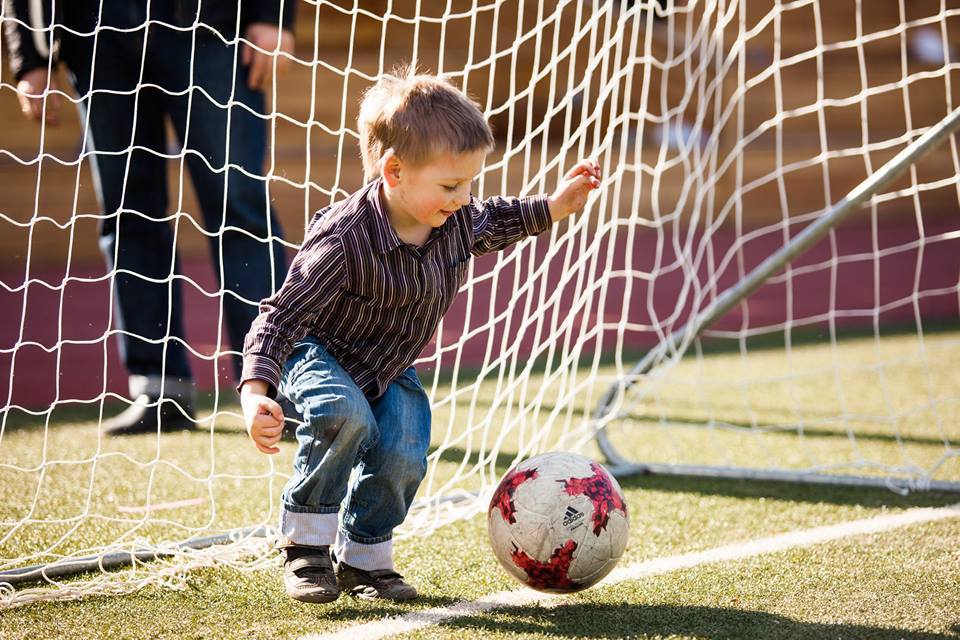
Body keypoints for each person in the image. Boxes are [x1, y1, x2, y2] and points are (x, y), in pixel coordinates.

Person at [239, 69, 601, 603]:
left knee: (406, 450)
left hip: (388, 364)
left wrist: (554, 207)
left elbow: (496, 218)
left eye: (470, 183)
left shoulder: (454, 220)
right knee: (344, 415)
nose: (464, 198)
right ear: (394, 171)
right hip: (318, 351)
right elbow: (281, 316)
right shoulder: (343, 239)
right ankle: (306, 546)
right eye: (451, 185)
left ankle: (364, 557)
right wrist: (254, 393)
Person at [3, 0, 295, 434]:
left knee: (239, 204)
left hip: (209, 24)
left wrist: (274, 14)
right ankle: (160, 389)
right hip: (95, 34)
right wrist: (28, 51)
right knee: (128, 212)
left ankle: (275, 385)